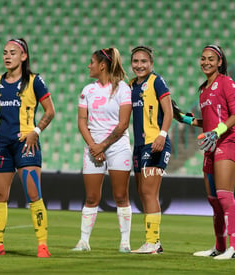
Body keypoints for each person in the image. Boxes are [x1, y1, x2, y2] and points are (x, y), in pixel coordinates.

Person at [0, 38, 55, 258]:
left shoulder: (35, 81)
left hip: (25, 146)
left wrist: (35, 132)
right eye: (4, 53)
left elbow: (50, 111)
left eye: (12, 52)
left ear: (24, 56)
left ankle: (42, 245)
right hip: (0, 146)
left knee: (33, 194)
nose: (7, 56)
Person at [173, 45, 235, 260]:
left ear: (220, 62)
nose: (206, 62)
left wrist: (216, 132)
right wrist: (183, 118)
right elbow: (208, 122)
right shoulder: (204, 89)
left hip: (228, 142)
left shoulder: (226, 82)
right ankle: (220, 247)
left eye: (211, 59)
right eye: (203, 58)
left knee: (224, 196)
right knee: (214, 200)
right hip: (211, 146)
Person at [72, 47, 133, 253]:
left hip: (117, 148)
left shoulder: (123, 89)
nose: (89, 66)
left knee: (120, 196)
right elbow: (81, 121)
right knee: (91, 197)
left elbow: (123, 124)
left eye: (91, 62)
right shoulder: (87, 90)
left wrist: (102, 146)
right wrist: (93, 146)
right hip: (93, 147)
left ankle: (125, 242)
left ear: (102, 65)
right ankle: (83, 242)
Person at [128, 45, 173, 254]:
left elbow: (169, 111)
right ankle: (153, 242)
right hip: (138, 146)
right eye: (135, 61)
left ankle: (153, 242)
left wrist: (162, 136)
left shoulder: (157, 81)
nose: (139, 65)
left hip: (155, 143)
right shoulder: (131, 85)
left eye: (143, 61)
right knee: (142, 192)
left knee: (149, 192)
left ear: (151, 64)